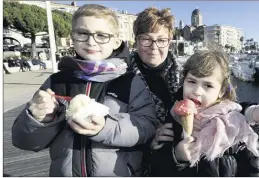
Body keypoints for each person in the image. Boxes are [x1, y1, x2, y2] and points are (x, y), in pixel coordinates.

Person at [128, 7, 259, 174]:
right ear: (136, 40)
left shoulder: (181, 76)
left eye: (161, 40)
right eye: (146, 39)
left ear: (170, 40)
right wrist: (167, 151)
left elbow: (225, 109)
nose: (154, 47)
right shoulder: (122, 78)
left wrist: (255, 113)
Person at [12, 4, 158, 177]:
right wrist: (38, 118)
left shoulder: (129, 81)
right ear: (73, 36)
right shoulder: (56, 82)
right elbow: (24, 141)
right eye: (83, 33)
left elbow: (146, 127)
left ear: (116, 41)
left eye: (102, 35)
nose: (91, 42)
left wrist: (104, 127)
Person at [148, 49, 259, 176]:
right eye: (192, 81)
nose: (197, 91)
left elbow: (254, 169)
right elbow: (156, 168)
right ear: (184, 82)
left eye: (208, 86)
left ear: (221, 91)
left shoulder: (234, 124)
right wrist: (175, 156)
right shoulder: (174, 118)